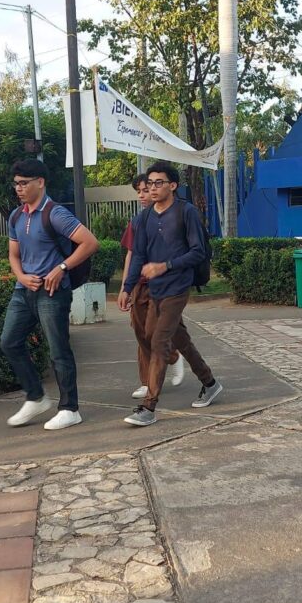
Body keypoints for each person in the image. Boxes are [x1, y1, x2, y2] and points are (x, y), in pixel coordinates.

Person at [119, 161, 222, 426]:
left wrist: (165, 266)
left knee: (159, 342)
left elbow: (198, 252)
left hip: (178, 286)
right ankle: (210, 383)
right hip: (156, 290)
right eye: (150, 183)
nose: (152, 188)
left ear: (173, 185)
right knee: (178, 339)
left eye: (159, 183)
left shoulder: (186, 212)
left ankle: (148, 407)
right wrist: (127, 288)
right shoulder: (144, 218)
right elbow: (138, 255)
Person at [0, 159, 99, 430]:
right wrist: (21, 276)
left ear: (40, 182)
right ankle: (36, 397)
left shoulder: (55, 214)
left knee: (58, 351)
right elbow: (14, 254)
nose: (19, 188)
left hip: (52, 293)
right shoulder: (16, 216)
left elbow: (90, 243)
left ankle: (70, 408)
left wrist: (61, 268)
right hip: (23, 291)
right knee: (9, 342)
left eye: (24, 183)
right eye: (16, 184)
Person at [118, 173, 184, 399]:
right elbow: (131, 255)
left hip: (166, 286)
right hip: (140, 284)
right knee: (141, 333)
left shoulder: (176, 216)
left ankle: (172, 357)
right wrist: (125, 288)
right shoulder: (138, 221)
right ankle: (148, 381)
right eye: (139, 191)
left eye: (146, 190)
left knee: (157, 332)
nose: (143, 195)